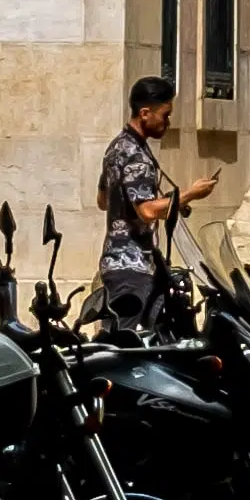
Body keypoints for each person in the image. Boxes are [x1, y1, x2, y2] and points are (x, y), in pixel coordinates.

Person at [97, 74, 211, 326]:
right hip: (132, 267)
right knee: (124, 347)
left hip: (120, 263)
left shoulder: (116, 147)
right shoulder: (137, 156)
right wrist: (190, 193)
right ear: (145, 113)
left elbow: (104, 199)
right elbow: (147, 211)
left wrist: (165, 201)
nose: (168, 122)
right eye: (165, 115)